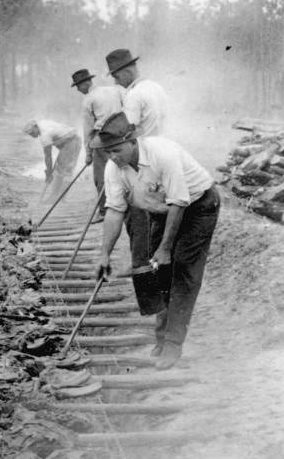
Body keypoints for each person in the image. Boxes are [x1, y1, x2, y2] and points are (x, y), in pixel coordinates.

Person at [92, 112, 220, 370]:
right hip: (161, 210)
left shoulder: (163, 153)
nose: (112, 157)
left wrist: (165, 248)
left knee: (184, 271)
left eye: (116, 150)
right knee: (158, 272)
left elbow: (179, 201)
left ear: (133, 142)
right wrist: (104, 254)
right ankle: (161, 338)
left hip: (198, 206)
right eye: (107, 152)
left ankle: (173, 344)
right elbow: (115, 210)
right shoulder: (113, 168)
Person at [105, 48, 170, 322]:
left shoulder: (133, 95)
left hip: (138, 162)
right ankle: (163, 302)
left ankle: (152, 305)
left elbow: (125, 132)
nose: (116, 81)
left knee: (139, 235)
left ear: (126, 71)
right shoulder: (156, 87)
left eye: (117, 76)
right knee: (157, 235)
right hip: (160, 159)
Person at [71, 68, 125, 224]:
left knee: (101, 177)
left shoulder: (88, 99)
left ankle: (103, 211)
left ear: (85, 83)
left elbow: (88, 130)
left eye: (78, 86)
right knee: (122, 171)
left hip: (102, 139)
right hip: (122, 136)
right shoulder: (113, 90)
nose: (78, 90)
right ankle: (124, 205)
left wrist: (88, 153)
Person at [23, 120, 81, 200]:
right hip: (70, 141)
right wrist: (49, 171)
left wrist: (49, 172)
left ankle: (60, 198)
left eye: (32, 132)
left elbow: (48, 156)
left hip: (72, 142)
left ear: (36, 127)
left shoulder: (44, 134)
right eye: (30, 134)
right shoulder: (43, 124)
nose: (31, 135)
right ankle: (55, 196)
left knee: (65, 171)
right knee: (59, 171)